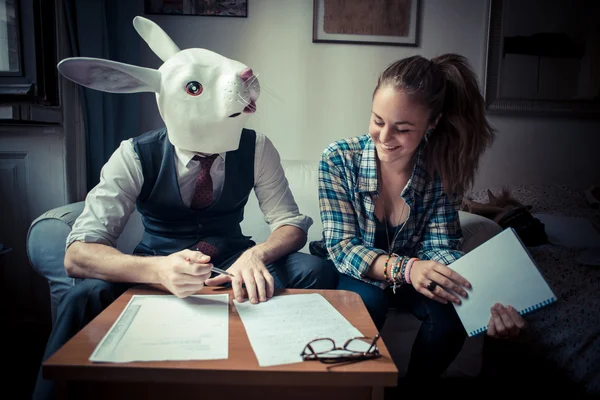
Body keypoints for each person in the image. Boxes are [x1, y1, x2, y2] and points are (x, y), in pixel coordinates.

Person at [34, 16, 337, 399]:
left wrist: (255, 255)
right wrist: (157, 270)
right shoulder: (134, 154)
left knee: (315, 269)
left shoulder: (256, 147)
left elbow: (290, 224)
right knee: (83, 296)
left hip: (233, 257)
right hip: (157, 259)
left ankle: (299, 381)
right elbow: (77, 255)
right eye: (195, 86)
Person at [314, 54, 525, 380]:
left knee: (451, 317)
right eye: (377, 120)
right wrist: (408, 268)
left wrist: (478, 294)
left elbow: (441, 246)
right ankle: (353, 388)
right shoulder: (338, 158)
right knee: (366, 300)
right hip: (360, 271)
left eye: (402, 129)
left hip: (417, 276)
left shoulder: (441, 168)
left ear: (433, 122)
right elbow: (342, 248)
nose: (384, 138)